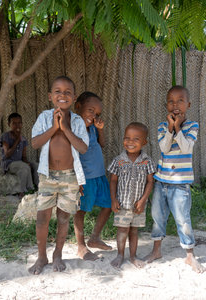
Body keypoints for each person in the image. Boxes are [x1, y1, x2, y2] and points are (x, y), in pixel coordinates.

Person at [27, 76, 89, 274]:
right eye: (58, 91)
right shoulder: (44, 118)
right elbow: (35, 143)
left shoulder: (78, 121)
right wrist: (54, 128)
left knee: (63, 218)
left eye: (67, 92)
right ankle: (42, 256)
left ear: (74, 97)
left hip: (70, 177)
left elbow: (83, 147)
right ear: (50, 96)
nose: (63, 95)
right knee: (42, 218)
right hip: (48, 176)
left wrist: (65, 128)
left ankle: (58, 254)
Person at [144, 85, 206, 273]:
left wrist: (178, 127)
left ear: (188, 104)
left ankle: (190, 255)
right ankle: (156, 251)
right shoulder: (162, 126)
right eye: (171, 101)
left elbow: (187, 148)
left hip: (180, 184)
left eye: (180, 100)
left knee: (183, 219)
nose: (175, 104)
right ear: (166, 105)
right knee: (157, 217)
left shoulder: (192, 126)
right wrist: (171, 127)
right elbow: (164, 148)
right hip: (161, 181)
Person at [108, 122, 156, 268]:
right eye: (127, 138)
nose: (130, 142)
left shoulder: (147, 161)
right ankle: (120, 255)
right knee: (122, 230)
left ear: (144, 142)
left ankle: (133, 256)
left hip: (138, 206)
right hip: (122, 204)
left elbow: (150, 182)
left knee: (134, 231)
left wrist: (143, 201)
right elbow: (113, 181)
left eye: (136, 139)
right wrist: (113, 199)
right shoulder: (118, 160)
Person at [73, 92, 113, 261]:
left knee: (109, 204)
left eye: (97, 114)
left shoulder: (93, 129)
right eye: (90, 110)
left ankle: (95, 237)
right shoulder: (73, 128)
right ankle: (81, 246)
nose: (93, 116)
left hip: (99, 175)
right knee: (81, 210)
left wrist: (100, 129)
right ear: (78, 107)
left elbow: (102, 144)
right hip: (85, 178)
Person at [0, 113, 38, 197]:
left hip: (19, 162)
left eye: (19, 123)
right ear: (9, 124)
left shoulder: (23, 139)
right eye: (14, 123)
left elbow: (24, 156)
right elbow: (7, 155)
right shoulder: (5, 136)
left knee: (36, 166)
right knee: (23, 167)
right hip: (9, 163)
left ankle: (39, 188)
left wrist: (27, 162)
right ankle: (22, 191)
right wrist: (17, 140)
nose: (17, 125)